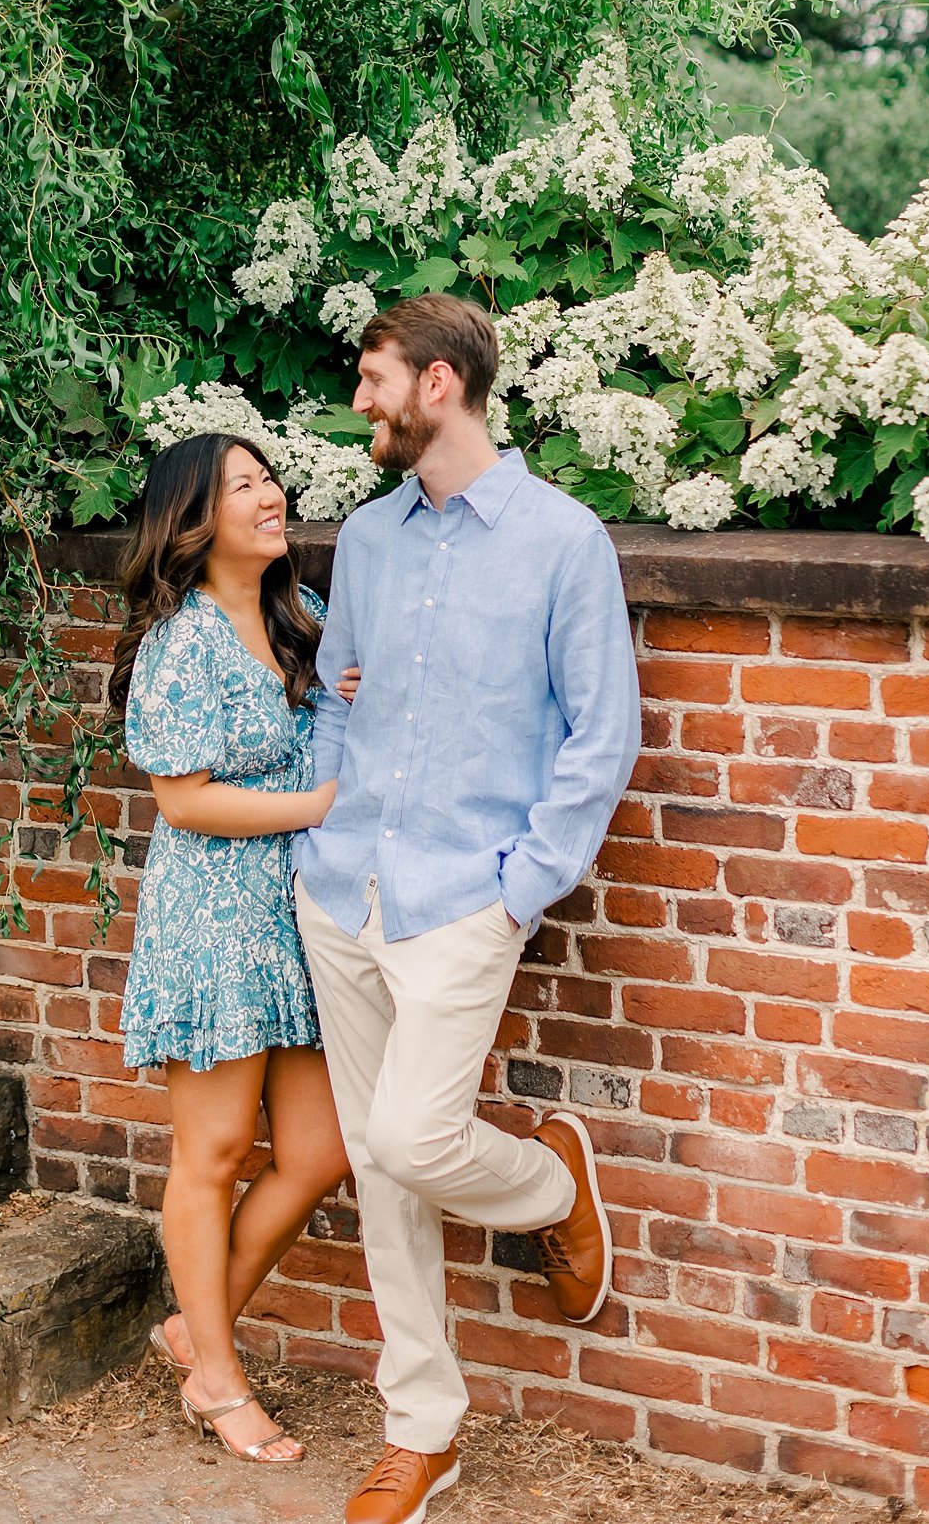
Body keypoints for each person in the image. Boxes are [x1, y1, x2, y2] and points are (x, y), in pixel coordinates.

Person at [293, 293, 642, 1524]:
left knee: (413, 1141)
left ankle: (553, 1188)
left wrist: (517, 893)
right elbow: (340, 689)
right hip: (345, 887)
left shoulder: (563, 542)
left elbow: (602, 739)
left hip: (464, 899)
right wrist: (325, 820)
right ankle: (423, 1434)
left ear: (438, 384)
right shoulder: (371, 540)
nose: (361, 403)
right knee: (382, 1176)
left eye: (373, 378)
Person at [112, 432, 356, 1467]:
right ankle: (218, 1378)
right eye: (243, 486)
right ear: (196, 522)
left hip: (298, 920)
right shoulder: (184, 641)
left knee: (317, 1155)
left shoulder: (300, 618)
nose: (271, 494)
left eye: (269, 478)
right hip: (213, 921)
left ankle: (193, 1335)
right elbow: (184, 799)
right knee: (210, 1157)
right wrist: (321, 806)